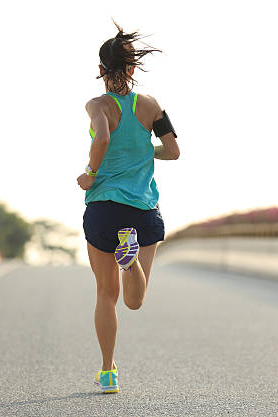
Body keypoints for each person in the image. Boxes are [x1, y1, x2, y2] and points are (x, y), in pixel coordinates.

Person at [77, 22, 180, 394]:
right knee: (135, 301)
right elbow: (173, 151)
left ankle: (108, 372)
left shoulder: (97, 105)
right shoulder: (151, 106)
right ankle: (130, 259)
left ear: (101, 70)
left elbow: (102, 136)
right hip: (142, 211)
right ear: (134, 69)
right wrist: (143, 152)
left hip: (104, 208)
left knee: (107, 294)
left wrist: (91, 172)